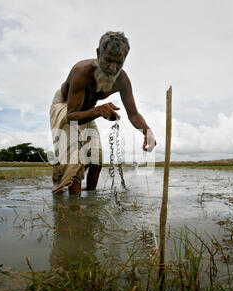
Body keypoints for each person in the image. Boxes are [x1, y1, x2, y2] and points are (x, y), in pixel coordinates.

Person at [50, 31, 156, 195]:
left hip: (88, 111)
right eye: (108, 60)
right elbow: (71, 116)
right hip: (66, 107)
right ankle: (73, 210)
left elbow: (133, 114)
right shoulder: (81, 71)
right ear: (98, 53)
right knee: (76, 159)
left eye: (119, 63)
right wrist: (99, 111)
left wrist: (147, 131)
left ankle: (91, 202)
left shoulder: (122, 80)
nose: (113, 68)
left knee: (96, 159)